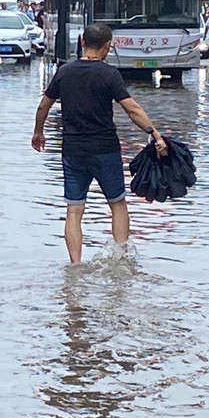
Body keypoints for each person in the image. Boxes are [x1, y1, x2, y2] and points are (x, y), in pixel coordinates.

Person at [31, 23, 168, 264]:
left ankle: (75, 265)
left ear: (82, 42)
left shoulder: (64, 72)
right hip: (105, 149)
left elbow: (44, 105)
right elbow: (132, 109)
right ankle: (120, 259)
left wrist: (38, 133)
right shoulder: (109, 74)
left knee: (74, 210)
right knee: (117, 203)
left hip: (73, 150)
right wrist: (154, 133)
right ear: (107, 47)